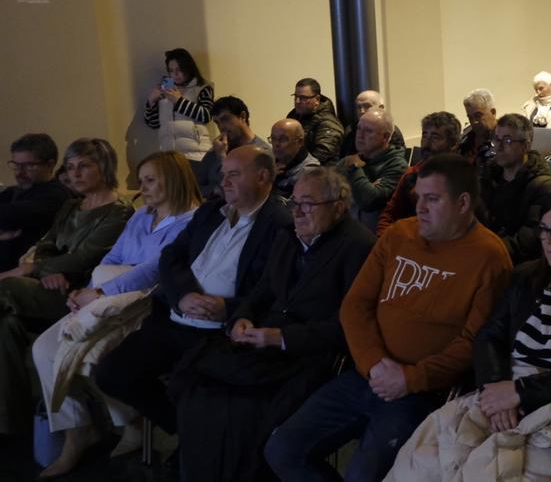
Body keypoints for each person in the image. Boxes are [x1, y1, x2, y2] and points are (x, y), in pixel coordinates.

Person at [264, 154, 513, 482]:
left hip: (423, 391)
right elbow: (355, 306)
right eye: (418, 197)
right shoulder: (400, 235)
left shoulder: (489, 257)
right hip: (367, 373)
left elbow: (474, 343)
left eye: (432, 199)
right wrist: (375, 364)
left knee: (362, 475)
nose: (420, 207)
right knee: (281, 449)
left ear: (463, 202)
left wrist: (410, 379)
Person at [389, 188, 551, 481]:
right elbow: (489, 336)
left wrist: (520, 392)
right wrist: (496, 387)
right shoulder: (526, 278)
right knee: (421, 462)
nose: (547, 240)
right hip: (501, 385)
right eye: (544, 230)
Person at [170, 166, 374, 481]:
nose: (298, 212)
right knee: (199, 388)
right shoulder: (289, 237)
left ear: (339, 206)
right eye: (294, 203)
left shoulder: (358, 247)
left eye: (308, 204)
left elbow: (346, 326)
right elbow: (261, 292)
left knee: (244, 414)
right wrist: (241, 318)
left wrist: (280, 338)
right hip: (261, 345)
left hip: (307, 355)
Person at [94, 146, 291, 437]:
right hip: (174, 317)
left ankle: (200, 448)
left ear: (262, 177)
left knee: (189, 388)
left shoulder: (280, 225)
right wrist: (183, 294)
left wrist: (230, 308)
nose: (223, 182)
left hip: (220, 332)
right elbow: (171, 256)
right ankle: (187, 435)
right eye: (223, 174)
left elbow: (275, 290)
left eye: (233, 175)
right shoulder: (211, 211)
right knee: (111, 373)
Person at [30, 151, 200, 476]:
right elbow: (113, 256)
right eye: (142, 179)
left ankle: (121, 423)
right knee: (44, 349)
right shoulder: (141, 215)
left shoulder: (191, 221)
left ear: (173, 180)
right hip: (105, 296)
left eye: (150, 180)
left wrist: (102, 291)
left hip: (141, 303)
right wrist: (90, 291)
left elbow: (154, 271)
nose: (141, 186)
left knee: (90, 359)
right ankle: (79, 427)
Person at [0, 138, 133, 436]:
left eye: (84, 166)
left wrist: (38, 269)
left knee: (4, 289)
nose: (74, 174)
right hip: (48, 286)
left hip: (78, 297)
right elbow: (45, 246)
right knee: (6, 325)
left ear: (105, 167)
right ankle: (10, 424)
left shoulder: (118, 211)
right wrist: (46, 270)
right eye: (71, 167)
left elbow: (86, 258)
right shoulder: (71, 205)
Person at [479, 114, 551, 264]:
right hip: (486, 254)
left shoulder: (545, 187)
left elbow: (529, 241)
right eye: (496, 139)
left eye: (508, 141)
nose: (499, 147)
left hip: (517, 265)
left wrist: (485, 252)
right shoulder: (488, 176)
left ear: (526, 146)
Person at [376, 111, 461, 235]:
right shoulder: (412, 174)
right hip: (411, 241)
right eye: (424, 135)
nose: (426, 143)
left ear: (453, 144)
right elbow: (390, 214)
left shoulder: (461, 177)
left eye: (435, 137)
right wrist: (383, 241)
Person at [0, 133, 72, 271]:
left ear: (50, 164)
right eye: (15, 165)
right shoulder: (14, 191)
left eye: (28, 166)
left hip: (23, 273)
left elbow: (8, 215)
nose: (19, 173)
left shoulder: (55, 194)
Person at [336, 108, 408, 229]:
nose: (360, 135)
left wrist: (354, 169)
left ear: (385, 137)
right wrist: (366, 186)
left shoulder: (397, 165)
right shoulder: (349, 160)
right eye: (359, 128)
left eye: (368, 131)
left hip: (376, 235)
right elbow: (325, 192)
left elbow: (368, 200)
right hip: (346, 231)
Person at [143, 48, 214, 169]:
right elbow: (154, 124)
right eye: (171, 71)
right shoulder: (165, 89)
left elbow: (206, 116)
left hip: (197, 154)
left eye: (179, 69)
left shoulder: (202, 87)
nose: (175, 74)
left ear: (188, 68)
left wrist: (179, 101)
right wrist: (151, 102)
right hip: (170, 155)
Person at [195, 96, 270, 199]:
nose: (221, 127)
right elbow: (195, 187)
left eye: (225, 119)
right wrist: (214, 190)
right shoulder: (217, 148)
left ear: (242, 116)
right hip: (212, 210)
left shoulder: (261, 151)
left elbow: (241, 191)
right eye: (217, 123)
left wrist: (222, 156)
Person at [287, 78, 344, 165]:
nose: (297, 101)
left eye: (303, 98)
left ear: (317, 99)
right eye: (296, 96)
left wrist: (290, 166)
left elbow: (321, 154)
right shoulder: (293, 116)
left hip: (321, 173)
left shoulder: (328, 123)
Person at [341, 90, 409, 159]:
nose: (362, 111)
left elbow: (396, 159)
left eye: (367, 106)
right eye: (359, 107)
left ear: (381, 108)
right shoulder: (350, 129)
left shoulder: (391, 131)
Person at [270, 118, 319, 198]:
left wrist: (268, 183)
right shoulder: (270, 162)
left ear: (300, 142)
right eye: (273, 139)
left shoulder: (310, 172)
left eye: (283, 139)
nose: (276, 144)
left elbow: (292, 207)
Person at [460, 88, 498, 168]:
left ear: (493, 112)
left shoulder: (505, 140)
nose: (474, 122)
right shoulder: (465, 142)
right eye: (470, 117)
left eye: (478, 116)